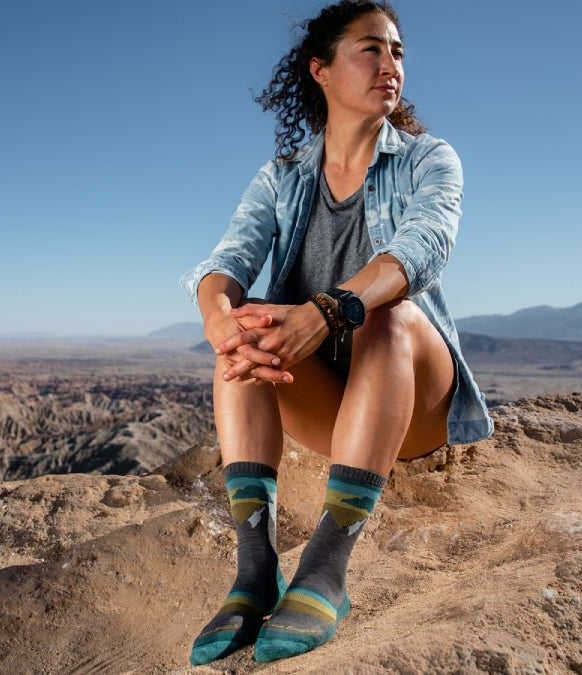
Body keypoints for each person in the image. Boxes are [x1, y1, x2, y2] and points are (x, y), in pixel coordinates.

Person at [180, 0, 493, 664]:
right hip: (329, 406)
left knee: (387, 312)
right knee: (247, 322)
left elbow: (423, 249)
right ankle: (255, 572)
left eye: (398, 52)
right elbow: (224, 263)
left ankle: (325, 568)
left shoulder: (428, 161)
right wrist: (217, 319)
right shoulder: (284, 177)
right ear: (320, 70)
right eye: (371, 50)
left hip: (417, 406)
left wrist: (329, 310)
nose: (391, 65)